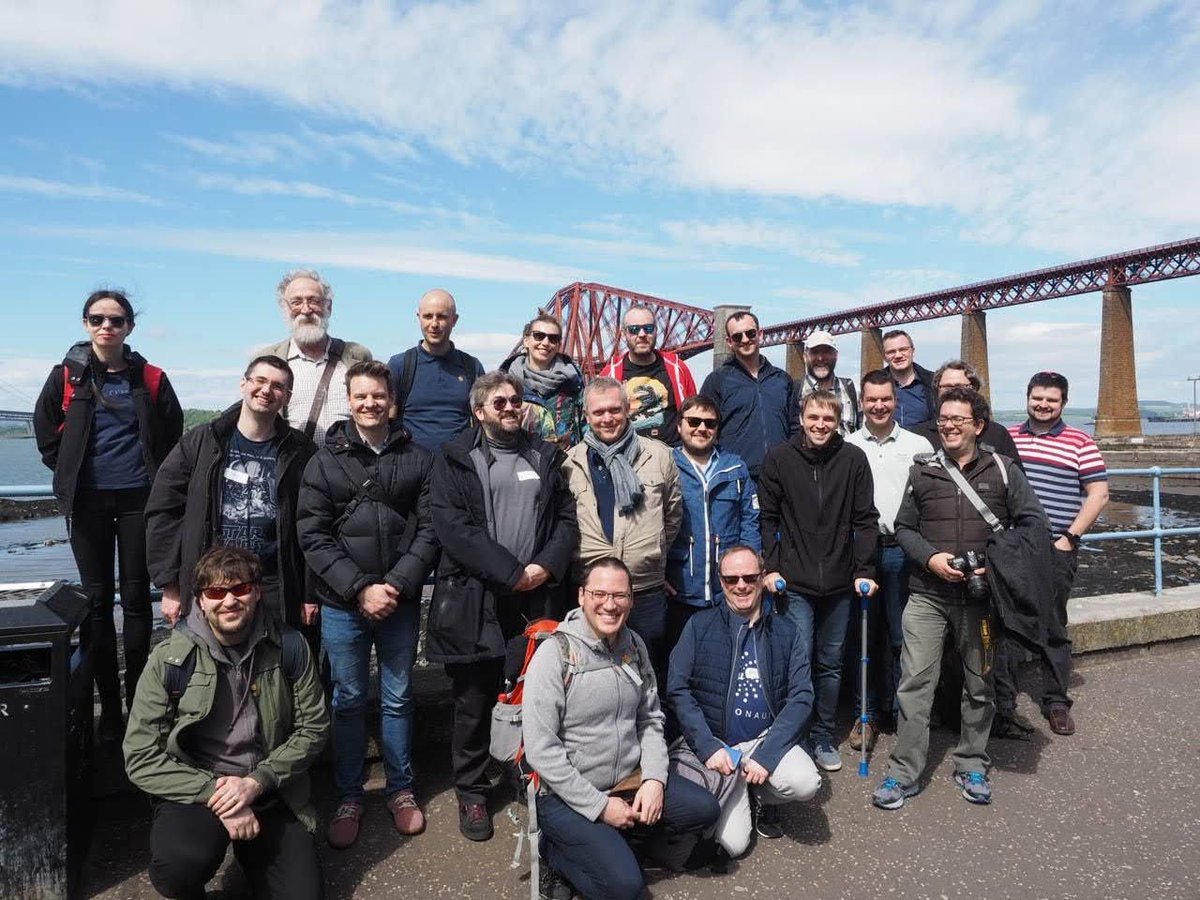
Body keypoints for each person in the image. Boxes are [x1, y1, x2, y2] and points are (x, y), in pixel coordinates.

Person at [873, 387, 1047, 810]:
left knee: (979, 684)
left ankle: (972, 761)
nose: (949, 426)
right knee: (914, 683)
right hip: (928, 595)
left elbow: (1033, 525)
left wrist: (994, 564)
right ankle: (903, 771)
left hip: (981, 598)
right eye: (944, 419)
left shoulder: (1003, 471)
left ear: (979, 426)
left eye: (958, 420)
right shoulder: (923, 472)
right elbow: (904, 529)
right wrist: (931, 559)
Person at [123, 546, 329, 900]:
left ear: (257, 592)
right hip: (197, 790)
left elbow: (314, 728)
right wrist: (218, 794)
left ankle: (255, 853)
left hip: (270, 786)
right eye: (216, 592)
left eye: (241, 589)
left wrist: (255, 783)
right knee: (177, 867)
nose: (229, 601)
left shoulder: (290, 647)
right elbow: (141, 757)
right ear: (200, 601)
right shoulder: (168, 661)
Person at [425, 371, 578, 842]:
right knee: (472, 699)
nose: (511, 408)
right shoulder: (454, 459)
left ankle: (523, 775)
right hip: (475, 596)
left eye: (516, 401)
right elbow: (452, 526)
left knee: (530, 693)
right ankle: (472, 791)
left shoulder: (546, 456)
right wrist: (513, 572)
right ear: (480, 411)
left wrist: (544, 569)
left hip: (535, 597)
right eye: (500, 403)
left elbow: (566, 520)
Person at [296, 361, 439, 848]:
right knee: (349, 700)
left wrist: (395, 584)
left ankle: (401, 790)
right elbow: (312, 535)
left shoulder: (418, 458)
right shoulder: (323, 461)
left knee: (399, 698)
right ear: (349, 400)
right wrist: (360, 588)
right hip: (341, 602)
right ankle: (349, 795)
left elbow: (430, 528)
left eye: (378, 396)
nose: (370, 404)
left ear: (391, 401)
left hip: (398, 598)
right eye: (361, 396)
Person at [523, 557, 721, 900]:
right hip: (567, 795)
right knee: (626, 889)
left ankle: (615, 841)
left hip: (628, 779)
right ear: (582, 596)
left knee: (704, 810)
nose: (610, 605)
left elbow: (650, 719)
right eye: (600, 593)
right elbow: (542, 749)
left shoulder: (635, 647)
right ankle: (554, 850)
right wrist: (600, 807)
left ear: (632, 600)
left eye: (620, 596)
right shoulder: (555, 655)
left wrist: (655, 780)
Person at [33, 288, 184, 740]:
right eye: (97, 318)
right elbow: (44, 431)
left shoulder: (151, 377)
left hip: (140, 500)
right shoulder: (66, 377)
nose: (106, 326)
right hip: (88, 503)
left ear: (129, 327)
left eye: (116, 320)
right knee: (96, 603)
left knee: (137, 601)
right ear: (85, 324)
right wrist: (68, 468)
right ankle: (110, 711)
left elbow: (171, 434)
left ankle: (140, 701)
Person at [667, 545, 819, 859]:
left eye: (750, 576)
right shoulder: (698, 625)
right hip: (719, 746)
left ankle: (762, 793)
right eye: (731, 578)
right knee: (734, 846)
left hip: (761, 741)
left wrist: (768, 753)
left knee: (805, 783)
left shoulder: (787, 631)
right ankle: (742, 791)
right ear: (720, 582)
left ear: (763, 578)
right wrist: (708, 747)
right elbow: (678, 690)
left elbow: (802, 696)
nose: (741, 585)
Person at [145, 355, 317, 629]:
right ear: (243, 384)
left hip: (275, 581)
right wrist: (169, 584)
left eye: (277, 386)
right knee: (210, 665)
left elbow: (312, 523)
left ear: (286, 396)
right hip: (212, 580)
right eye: (259, 381)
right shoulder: (203, 441)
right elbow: (164, 510)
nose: (266, 390)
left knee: (277, 664)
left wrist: (308, 593)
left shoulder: (300, 450)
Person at [758, 389, 879, 773]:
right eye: (813, 417)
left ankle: (824, 735)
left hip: (842, 583)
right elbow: (768, 519)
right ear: (802, 418)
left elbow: (865, 519)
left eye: (828, 418)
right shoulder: (779, 458)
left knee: (830, 664)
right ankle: (794, 733)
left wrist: (865, 570)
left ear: (838, 420)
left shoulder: (853, 459)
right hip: (794, 582)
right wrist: (771, 567)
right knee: (798, 660)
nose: (820, 425)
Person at [1005, 371, 1108, 737]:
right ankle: (1005, 703)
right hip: (1015, 547)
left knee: (1052, 625)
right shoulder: (1011, 437)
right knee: (1008, 624)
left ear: (1063, 403)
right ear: (1027, 398)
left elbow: (1098, 494)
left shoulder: (1080, 441)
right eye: (1038, 397)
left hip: (1055, 548)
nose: (1043, 404)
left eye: (1051, 399)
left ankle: (1056, 701)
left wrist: (1069, 537)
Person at [564, 376, 683, 683]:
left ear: (627, 409)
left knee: (649, 669)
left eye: (615, 410)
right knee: (594, 672)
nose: (607, 418)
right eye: (599, 412)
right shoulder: (570, 463)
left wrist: (652, 550)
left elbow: (672, 514)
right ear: (587, 417)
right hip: (595, 590)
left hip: (645, 586)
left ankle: (648, 730)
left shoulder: (659, 455)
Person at [844, 370, 934, 749]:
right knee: (863, 636)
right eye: (871, 399)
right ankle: (865, 714)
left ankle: (901, 712)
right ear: (861, 402)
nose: (878, 405)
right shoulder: (846, 445)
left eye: (885, 399)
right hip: (859, 550)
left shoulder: (918, 445)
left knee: (902, 636)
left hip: (902, 549)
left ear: (895, 400)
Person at [665, 395, 759, 650]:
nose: (701, 428)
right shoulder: (666, 465)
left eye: (710, 423)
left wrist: (750, 573)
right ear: (679, 425)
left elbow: (750, 521)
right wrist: (656, 573)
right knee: (677, 663)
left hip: (726, 590)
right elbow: (651, 525)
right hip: (680, 587)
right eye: (694, 421)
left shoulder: (735, 467)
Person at [257, 268, 373, 440]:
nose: (306, 309)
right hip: (294, 464)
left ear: (328, 306)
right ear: (285, 308)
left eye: (314, 301)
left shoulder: (357, 356)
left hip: (347, 464)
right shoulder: (267, 361)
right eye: (296, 302)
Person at [699, 310, 797, 480]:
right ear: (729, 342)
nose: (745, 340)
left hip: (782, 474)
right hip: (735, 476)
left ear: (760, 334)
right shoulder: (717, 380)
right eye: (737, 337)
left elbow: (795, 426)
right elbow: (704, 429)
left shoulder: (782, 379)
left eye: (750, 333)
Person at [387, 288, 486, 453]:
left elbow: (483, 420)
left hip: (458, 466)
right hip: (411, 467)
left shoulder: (471, 367)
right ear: (418, 318)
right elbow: (388, 418)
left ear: (454, 320)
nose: (434, 324)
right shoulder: (400, 365)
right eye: (427, 316)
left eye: (441, 316)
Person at [600, 304, 697, 445]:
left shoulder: (678, 367)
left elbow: (694, 411)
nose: (642, 334)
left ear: (656, 331)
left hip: (674, 454)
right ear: (623, 334)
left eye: (648, 328)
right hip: (629, 455)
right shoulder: (609, 374)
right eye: (634, 330)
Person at [498, 313, 585, 448]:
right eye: (539, 336)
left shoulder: (574, 382)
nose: (545, 343)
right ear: (526, 341)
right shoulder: (505, 382)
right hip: (521, 461)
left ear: (558, 345)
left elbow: (585, 425)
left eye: (553, 338)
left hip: (566, 462)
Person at [910, 360, 1021, 462]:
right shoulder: (919, 435)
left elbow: (1014, 479)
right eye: (947, 387)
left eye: (960, 386)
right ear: (937, 391)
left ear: (974, 389)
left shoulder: (997, 434)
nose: (953, 392)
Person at [798, 330, 860, 435]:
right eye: (814, 352)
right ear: (805, 357)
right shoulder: (794, 391)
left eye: (826, 352)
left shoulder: (849, 389)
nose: (820, 358)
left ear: (836, 356)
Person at [881, 329, 937, 428]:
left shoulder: (933, 382)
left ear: (913, 351)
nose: (898, 355)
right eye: (891, 352)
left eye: (903, 349)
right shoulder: (875, 383)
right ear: (884, 357)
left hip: (924, 442)